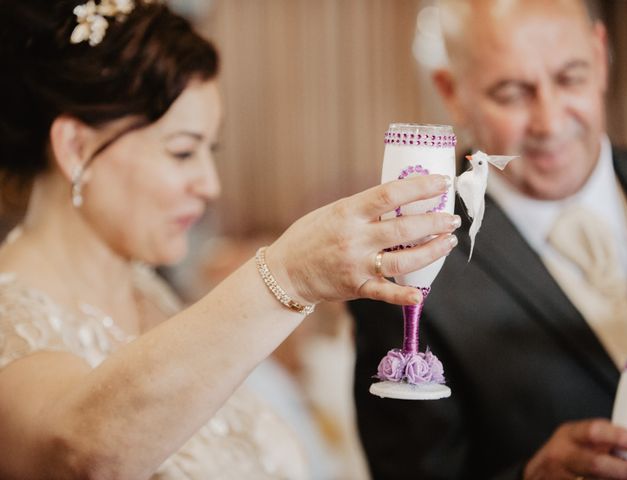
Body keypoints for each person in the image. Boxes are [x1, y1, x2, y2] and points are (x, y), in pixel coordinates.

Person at [0, 1, 462, 478]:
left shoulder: (154, 298)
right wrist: (289, 276)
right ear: (76, 148)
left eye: (209, 150)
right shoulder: (9, 322)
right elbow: (79, 451)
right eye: (182, 152)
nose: (210, 185)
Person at [350, 0, 627, 479]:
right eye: (511, 93)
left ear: (601, 53)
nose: (549, 122)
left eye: (570, 78)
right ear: (452, 91)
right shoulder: (403, 263)